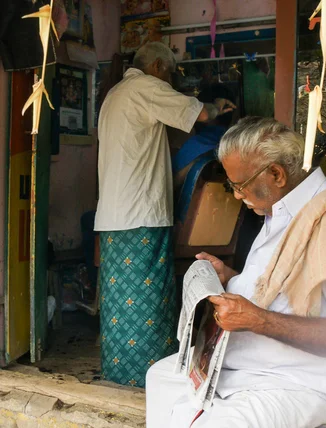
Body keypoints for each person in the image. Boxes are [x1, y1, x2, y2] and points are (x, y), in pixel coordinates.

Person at [146, 117, 326, 427]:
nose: (237, 195)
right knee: (160, 377)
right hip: (243, 368)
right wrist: (231, 278)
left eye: (239, 185)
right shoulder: (279, 209)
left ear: (276, 174)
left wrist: (258, 320)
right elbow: (282, 288)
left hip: (297, 382)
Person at [94, 41, 235, 388]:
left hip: (113, 215)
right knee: (148, 296)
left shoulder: (116, 95)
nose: (170, 81)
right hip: (140, 213)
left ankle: (120, 370)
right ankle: (148, 373)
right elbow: (198, 114)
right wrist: (218, 107)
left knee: (118, 300)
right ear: (158, 66)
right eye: (171, 73)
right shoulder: (147, 86)